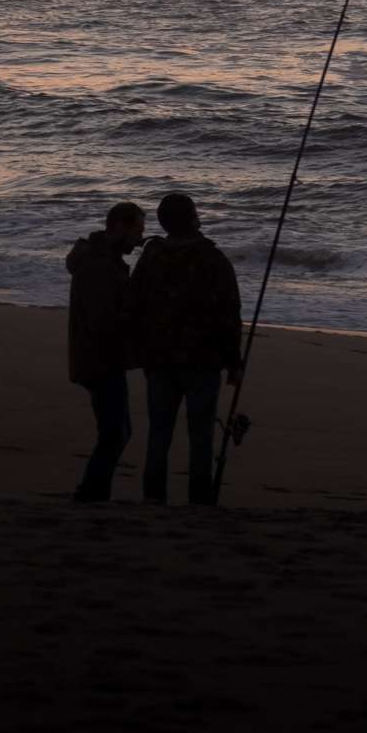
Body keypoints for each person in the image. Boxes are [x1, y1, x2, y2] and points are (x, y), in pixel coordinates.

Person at [129, 191, 241, 506]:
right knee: (201, 436)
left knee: (159, 434)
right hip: (202, 361)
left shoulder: (151, 256)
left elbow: (134, 304)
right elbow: (229, 314)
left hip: (159, 359)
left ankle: (153, 498)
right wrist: (234, 361)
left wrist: (140, 349)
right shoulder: (212, 259)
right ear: (193, 218)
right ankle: (200, 501)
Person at [65, 200, 146, 503]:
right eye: (137, 231)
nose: (139, 239)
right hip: (101, 360)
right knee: (115, 433)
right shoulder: (100, 265)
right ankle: (90, 493)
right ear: (120, 228)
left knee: (117, 431)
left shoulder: (101, 258)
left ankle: (94, 491)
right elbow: (104, 321)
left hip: (97, 358)